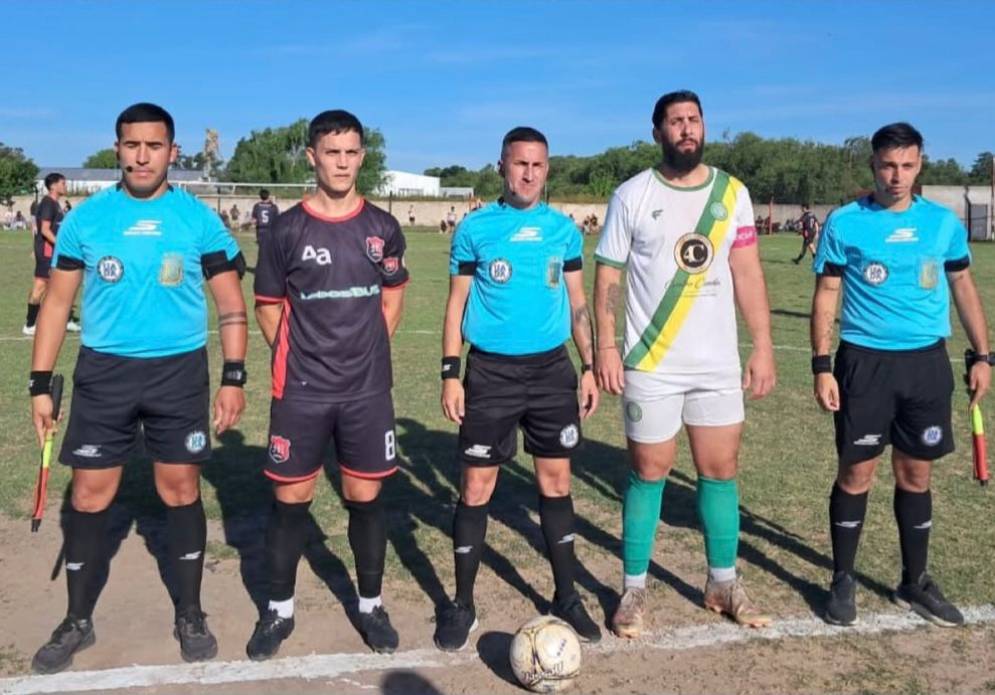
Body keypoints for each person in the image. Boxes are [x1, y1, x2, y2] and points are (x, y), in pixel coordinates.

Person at [28, 102, 248, 673]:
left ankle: (190, 612)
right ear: (118, 149)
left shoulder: (198, 219)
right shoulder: (86, 220)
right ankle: (77, 620)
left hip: (178, 372)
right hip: (105, 374)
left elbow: (230, 304)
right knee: (88, 495)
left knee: (180, 489)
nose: (142, 156)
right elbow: (56, 304)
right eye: (132, 145)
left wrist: (233, 376)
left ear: (173, 152)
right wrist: (39, 384)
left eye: (154, 146)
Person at [593, 90, 776, 638]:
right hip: (651, 362)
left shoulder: (732, 193)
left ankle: (723, 583)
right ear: (657, 133)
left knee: (720, 471)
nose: (687, 129)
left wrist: (762, 344)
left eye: (694, 119)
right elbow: (608, 276)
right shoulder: (632, 194)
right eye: (675, 121)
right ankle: (633, 589)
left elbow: (747, 272)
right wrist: (606, 347)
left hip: (716, 364)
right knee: (649, 472)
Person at [810, 122, 990, 627]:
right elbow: (826, 295)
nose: (897, 176)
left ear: (919, 165)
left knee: (916, 474)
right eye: (888, 165)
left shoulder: (942, 223)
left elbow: (962, 284)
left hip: (926, 365)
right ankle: (843, 578)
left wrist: (983, 355)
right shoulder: (845, 222)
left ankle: (914, 582)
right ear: (873, 164)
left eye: (907, 165)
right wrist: (822, 365)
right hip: (864, 364)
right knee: (857, 473)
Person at [248, 109, 409, 660]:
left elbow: (393, 297)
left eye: (351, 152)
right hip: (302, 389)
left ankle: (371, 605)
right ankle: (278, 610)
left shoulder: (383, 227)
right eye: (332, 152)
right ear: (312, 157)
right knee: (291, 499)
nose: (342, 163)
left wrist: (365, 349)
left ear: (362, 157)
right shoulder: (285, 229)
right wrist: (303, 357)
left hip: (366, 390)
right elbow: (268, 306)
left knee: (365, 497)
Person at [434, 126, 601, 652]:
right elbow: (456, 304)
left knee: (556, 482)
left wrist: (590, 364)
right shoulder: (475, 229)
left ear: (547, 169)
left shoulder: (564, 231)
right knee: (476, 487)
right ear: (502, 167)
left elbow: (578, 302)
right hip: (491, 374)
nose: (528, 174)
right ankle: (463, 604)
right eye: (519, 163)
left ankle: (566, 596)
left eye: (538, 165)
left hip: (551, 373)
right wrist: (450, 372)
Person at [24, 173, 79, 336]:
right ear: (53, 186)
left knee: (61, 285)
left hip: (53, 252)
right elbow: (45, 230)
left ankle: (65, 320)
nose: (65, 186)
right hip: (47, 253)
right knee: (40, 287)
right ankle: (30, 324)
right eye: (63, 183)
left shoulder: (55, 204)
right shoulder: (48, 203)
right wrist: (62, 246)